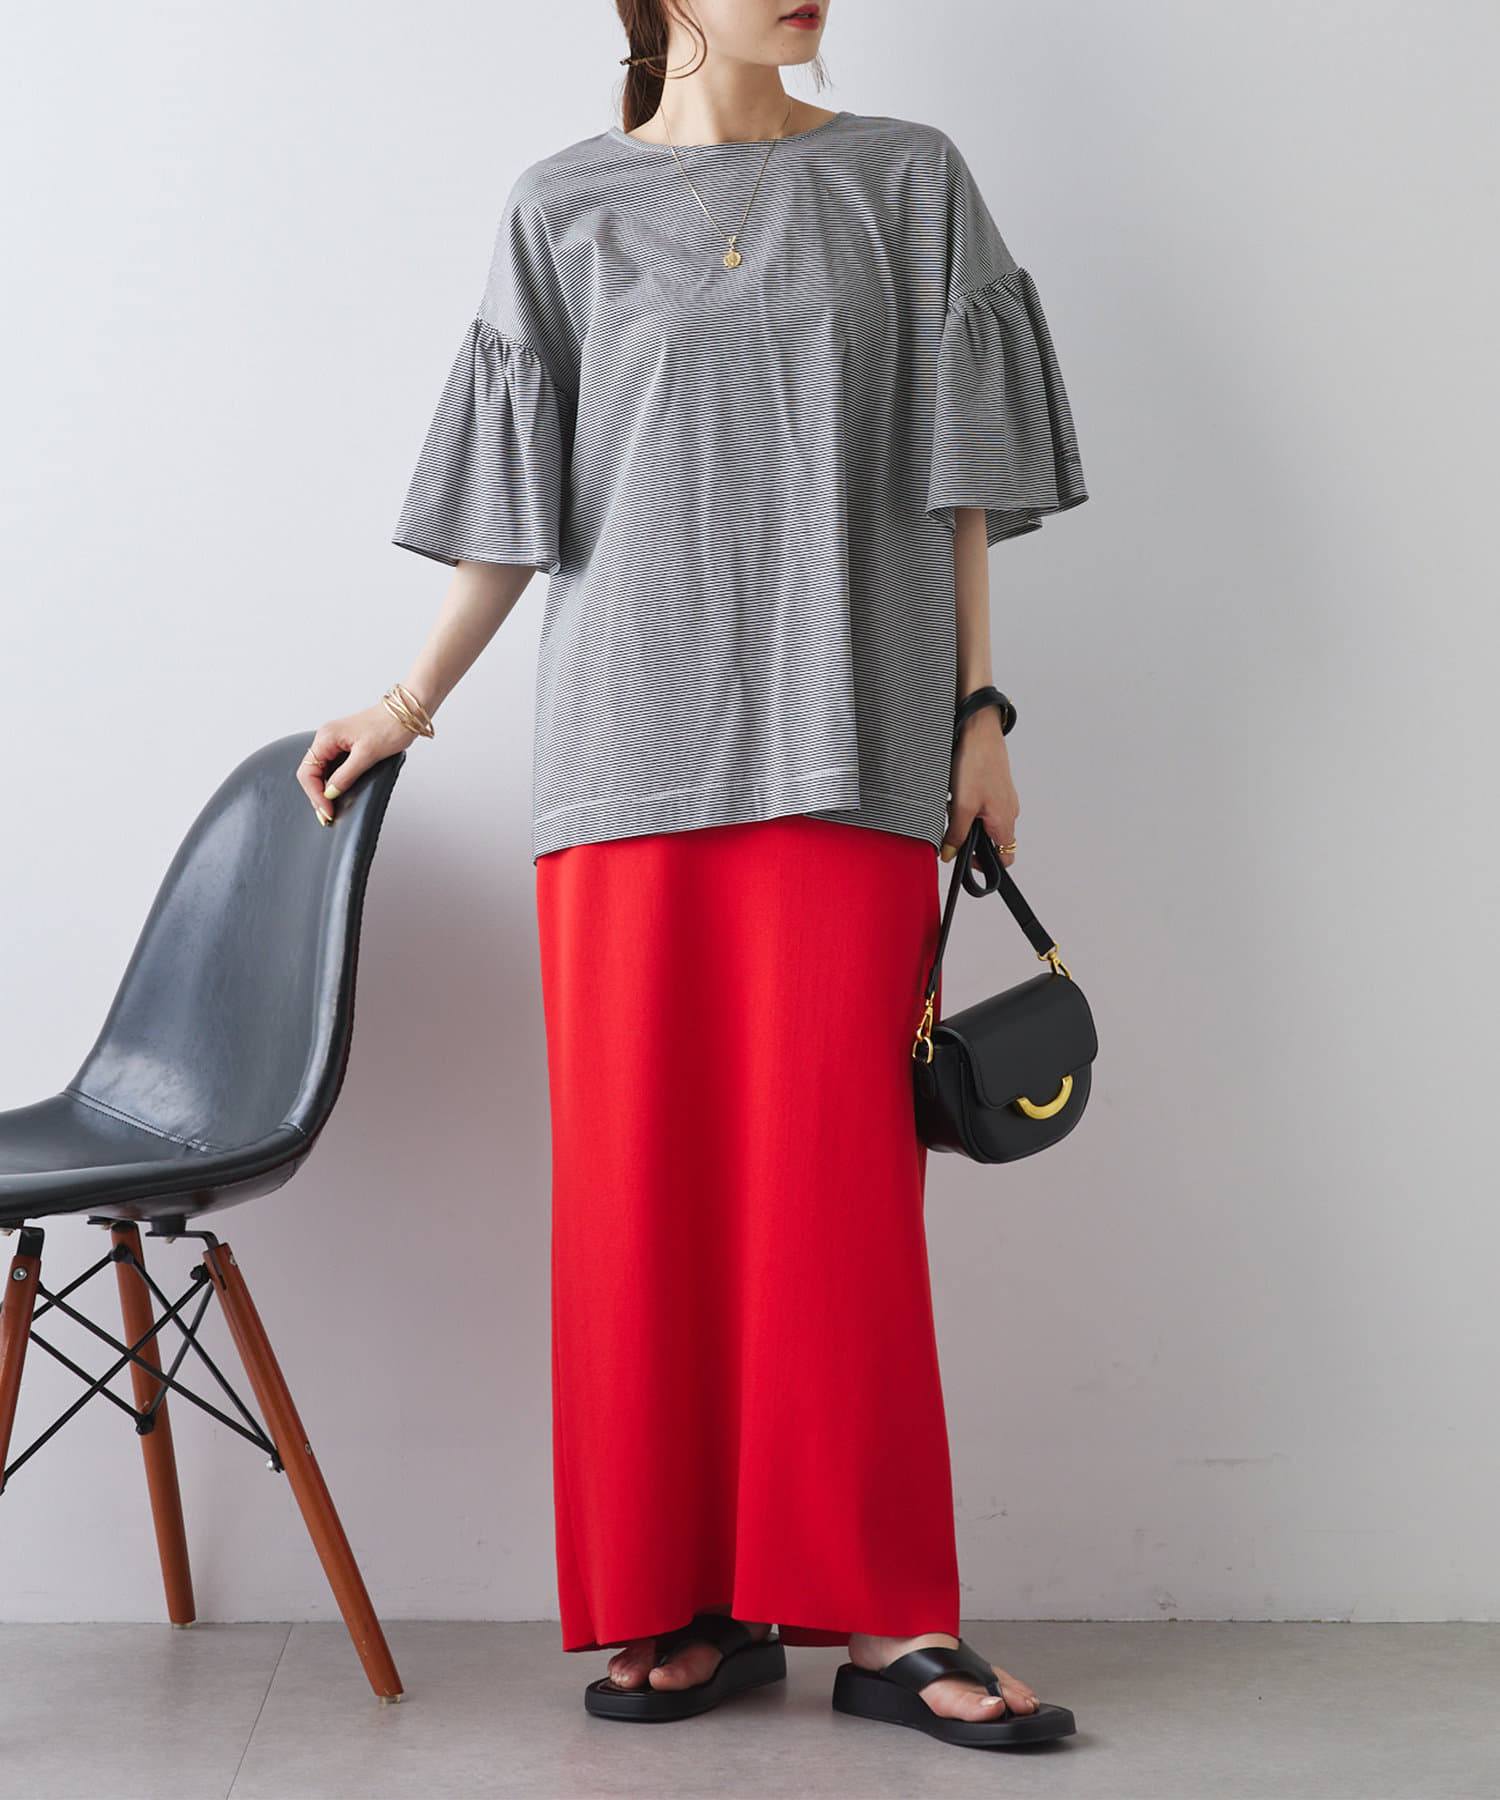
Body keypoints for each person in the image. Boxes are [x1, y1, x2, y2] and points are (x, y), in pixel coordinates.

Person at [296, 0, 1088, 1755]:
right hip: (622, 768)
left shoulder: (908, 182)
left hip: (851, 742)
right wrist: (406, 703)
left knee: (841, 1206)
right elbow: (519, 512)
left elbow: (963, 481)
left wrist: (980, 713)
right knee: (638, 1201)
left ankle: (890, 1619)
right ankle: (686, 1600)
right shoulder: (560, 204)